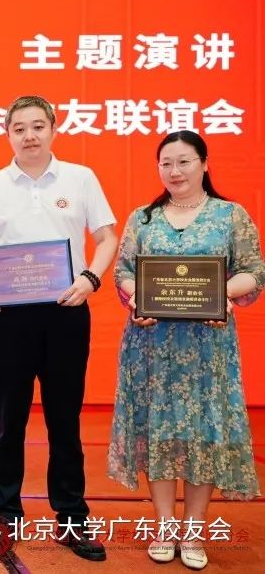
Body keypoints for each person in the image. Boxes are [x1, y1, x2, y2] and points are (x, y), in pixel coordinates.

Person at [107, 129, 264, 570]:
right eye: (166, 163)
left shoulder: (230, 215)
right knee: (158, 431)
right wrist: (135, 298)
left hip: (206, 349)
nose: (174, 171)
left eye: (184, 162)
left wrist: (223, 295)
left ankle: (193, 530)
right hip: (151, 346)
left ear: (204, 164)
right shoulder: (143, 218)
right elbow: (123, 272)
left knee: (202, 432)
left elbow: (254, 270)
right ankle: (164, 526)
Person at [0, 95, 117, 561]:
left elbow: (107, 236)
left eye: (38, 126)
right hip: (8, 316)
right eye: (19, 128)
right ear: (8, 134)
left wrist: (90, 278)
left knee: (64, 420)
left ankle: (72, 518)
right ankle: (6, 514)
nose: (29, 136)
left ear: (54, 129)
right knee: (8, 420)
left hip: (66, 311)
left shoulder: (80, 178)